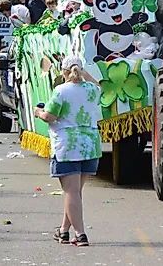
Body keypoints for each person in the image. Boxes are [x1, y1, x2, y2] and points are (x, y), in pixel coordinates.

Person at [34, 57, 101, 247]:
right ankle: (64, 231)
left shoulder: (60, 91)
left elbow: (50, 116)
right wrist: (85, 73)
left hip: (68, 144)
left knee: (71, 192)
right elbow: (97, 85)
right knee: (75, 193)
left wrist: (38, 113)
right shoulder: (91, 90)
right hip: (89, 144)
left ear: (63, 72)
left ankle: (80, 234)